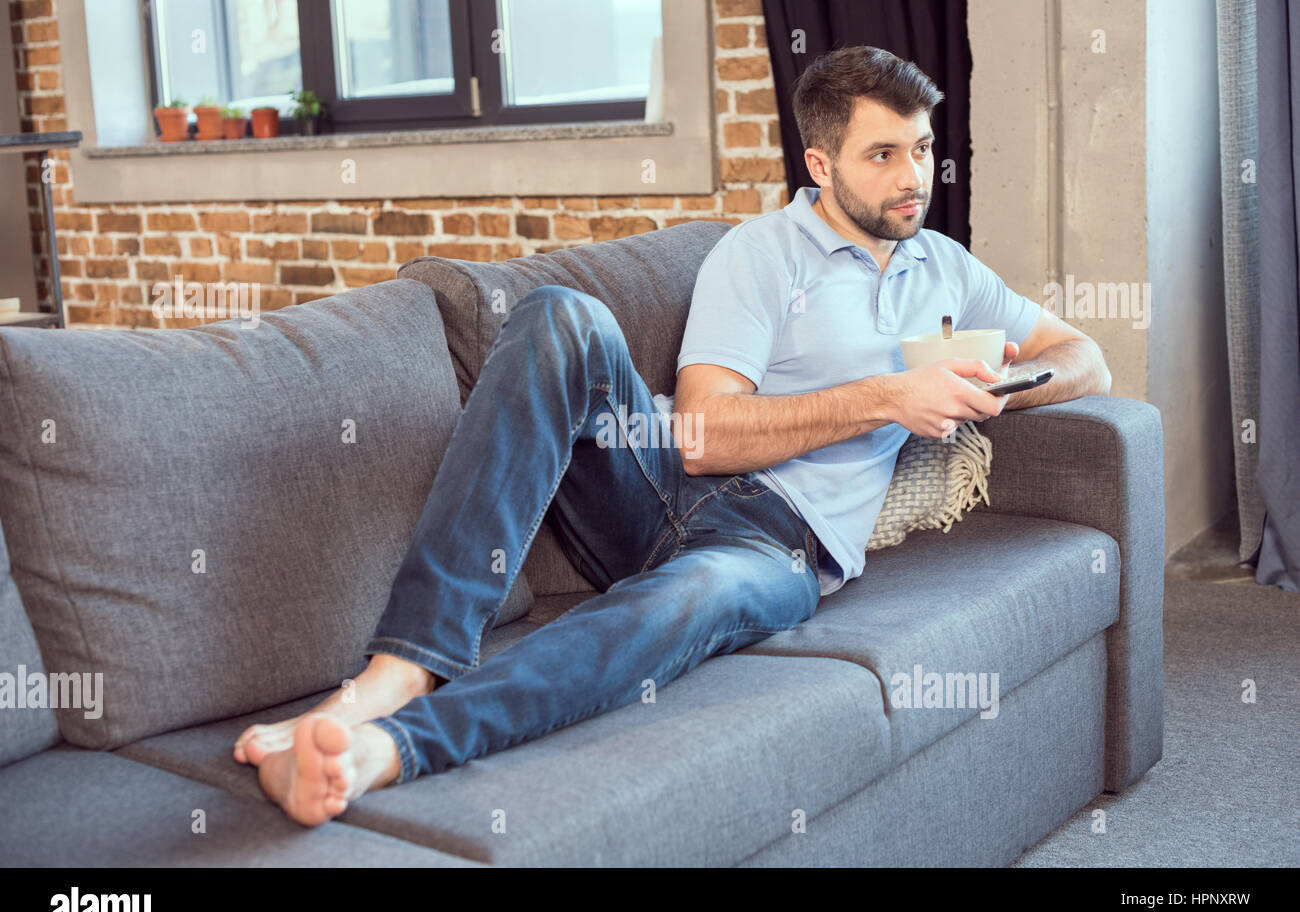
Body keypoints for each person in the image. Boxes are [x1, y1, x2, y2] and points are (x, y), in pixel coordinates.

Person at [234, 45, 1112, 826]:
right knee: (561, 316)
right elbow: (702, 434)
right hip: (661, 488)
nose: (912, 175)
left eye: (921, 148)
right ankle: (401, 667)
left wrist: (996, 390)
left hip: (779, 548)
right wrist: (890, 397)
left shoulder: (944, 266)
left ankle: (391, 747)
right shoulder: (761, 253)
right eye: (883, 154)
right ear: (820, 163)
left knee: (681, 602)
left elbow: (1086, 357)